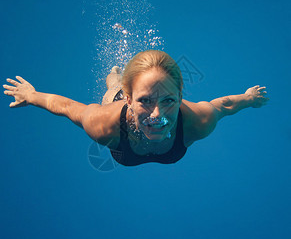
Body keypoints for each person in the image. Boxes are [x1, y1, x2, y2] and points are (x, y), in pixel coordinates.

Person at [3, 50, 269, 166]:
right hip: (117, 97)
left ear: (179, 96)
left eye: (168, 101)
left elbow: (223, 105)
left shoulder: (198, 121)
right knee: (112, 87)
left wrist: (248, 98)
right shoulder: (104, 124)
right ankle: (116, 77)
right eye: (145, 101)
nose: (157, 115)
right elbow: (66, 107)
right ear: (129, 100)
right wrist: (33, 95)